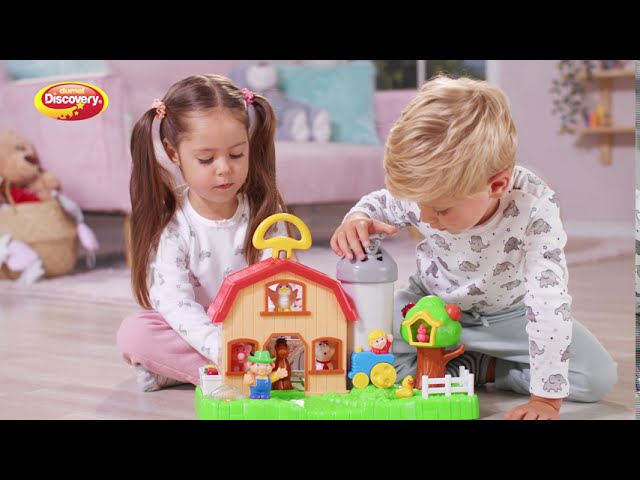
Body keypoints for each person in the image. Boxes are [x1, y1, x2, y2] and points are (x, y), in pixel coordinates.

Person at [330, 74, 617, 420]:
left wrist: (545, 400)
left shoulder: (535, 207)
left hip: (510, 317)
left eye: (440, 210)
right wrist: (357, 218)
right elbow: (379, 203)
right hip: (429, 308)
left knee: (594, 377)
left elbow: (548, 301)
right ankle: (461, 364)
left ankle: (487, 367)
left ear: (496, 186)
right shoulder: (429, 192)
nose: (423, 218)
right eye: (417, 205)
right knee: (368, 352)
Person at [116, 74, 289, 392]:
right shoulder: (173, 225)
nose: (224, 168)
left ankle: (191, 372)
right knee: (136, 333)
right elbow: (175, 303)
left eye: (236, 155)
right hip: (201, 332)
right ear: (173, 154)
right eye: (206, 159)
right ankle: (242, 374)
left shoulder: (265, 210)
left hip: (256, 332)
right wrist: (221, 348)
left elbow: (280, 286)